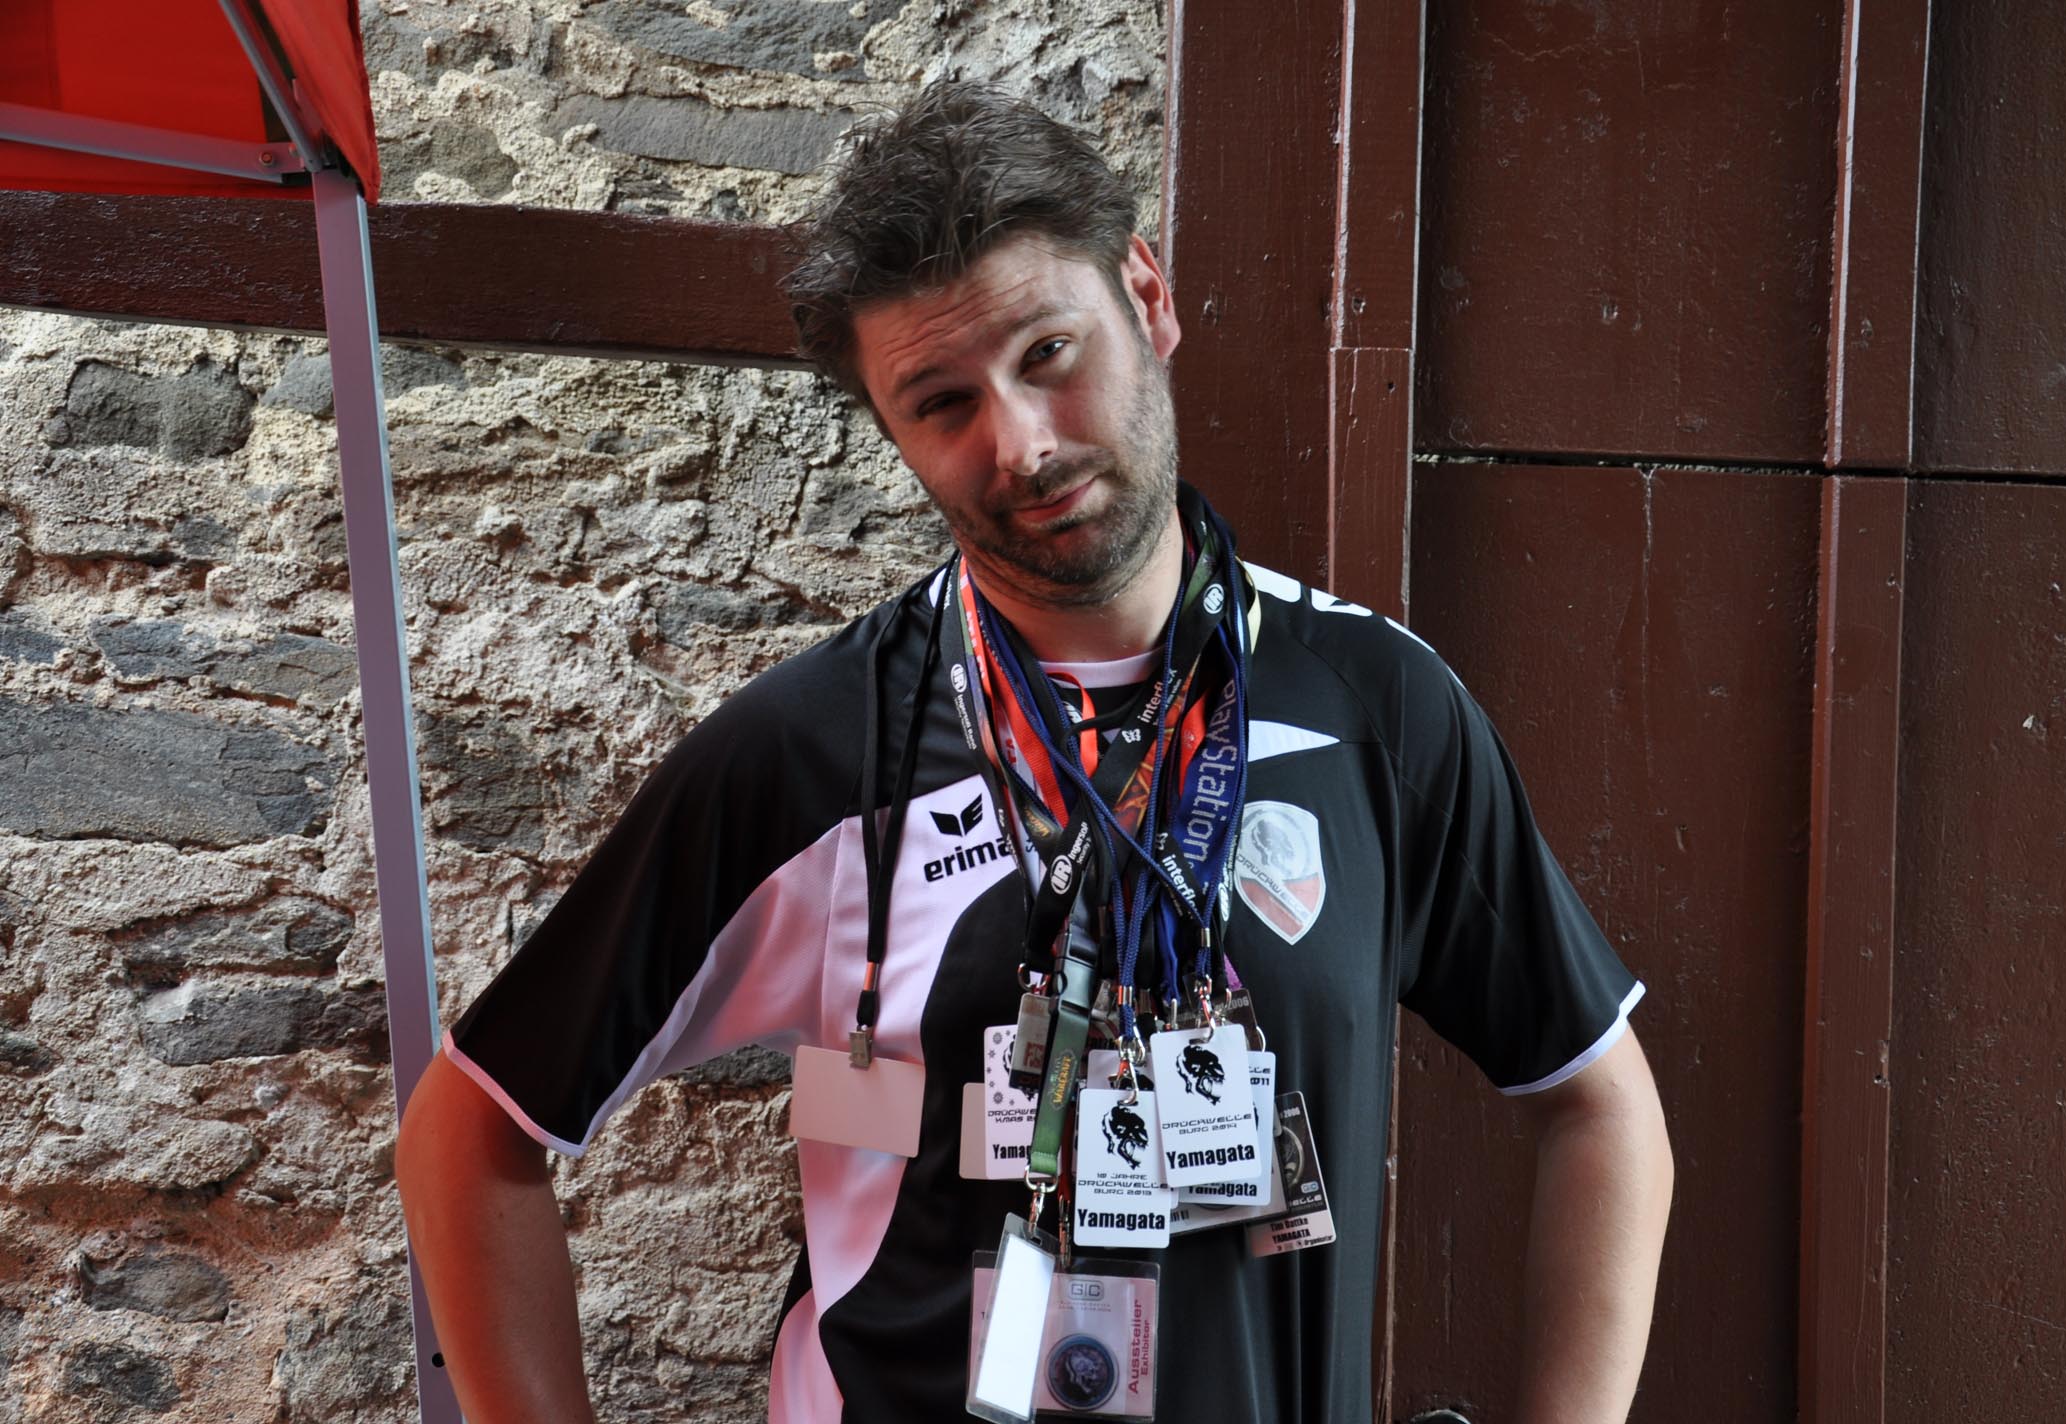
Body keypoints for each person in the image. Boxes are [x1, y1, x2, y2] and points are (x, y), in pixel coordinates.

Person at [395, 81, 1673, 1424]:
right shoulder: (813, 754)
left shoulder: (1376, 707)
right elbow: (471, 1132)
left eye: (1049, 353)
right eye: (941, 402)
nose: (1022, 443)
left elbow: (1603, 1110)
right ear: (893, 433)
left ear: (1147, 297)